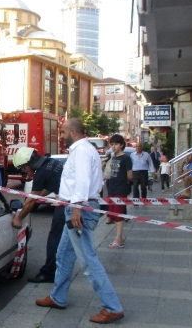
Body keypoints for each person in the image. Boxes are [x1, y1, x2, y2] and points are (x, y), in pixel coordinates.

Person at [35, 119, 124, 324]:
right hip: (76, 208)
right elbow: (76, 182)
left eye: (64, 131)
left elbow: (83, 181)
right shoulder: (81, 150)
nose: (61, 135)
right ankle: (58, 297)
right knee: (63, 255)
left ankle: (112, 307)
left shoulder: (82, 151)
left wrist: (76, 207)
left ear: (73, 132)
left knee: (87, 260)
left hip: (80, 211)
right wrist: (65, 199)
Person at [11, 147, 63, 284]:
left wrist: (19, 218)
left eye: (24, 167)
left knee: (54, 240)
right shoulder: (51, 162)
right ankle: (59, 271)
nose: (25, 171)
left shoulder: (41, 172)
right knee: (65, 242)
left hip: (66, 205)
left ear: (30, 162)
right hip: (71, 202)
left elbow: (31, 202)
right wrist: (35, 196)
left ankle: (49, 274)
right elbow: (50, 186)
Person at [105, 134, 132, 249]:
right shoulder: (113, 157)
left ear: (121, 145)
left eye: (116, 144)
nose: (113, 146)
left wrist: (124, 182)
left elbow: (130, 175)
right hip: (111, 188)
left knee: (119, 214)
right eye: (112, 144)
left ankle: (119, 239)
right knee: (114, 215)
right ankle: (118, 238)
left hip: (121, 189)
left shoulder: (126, 158)